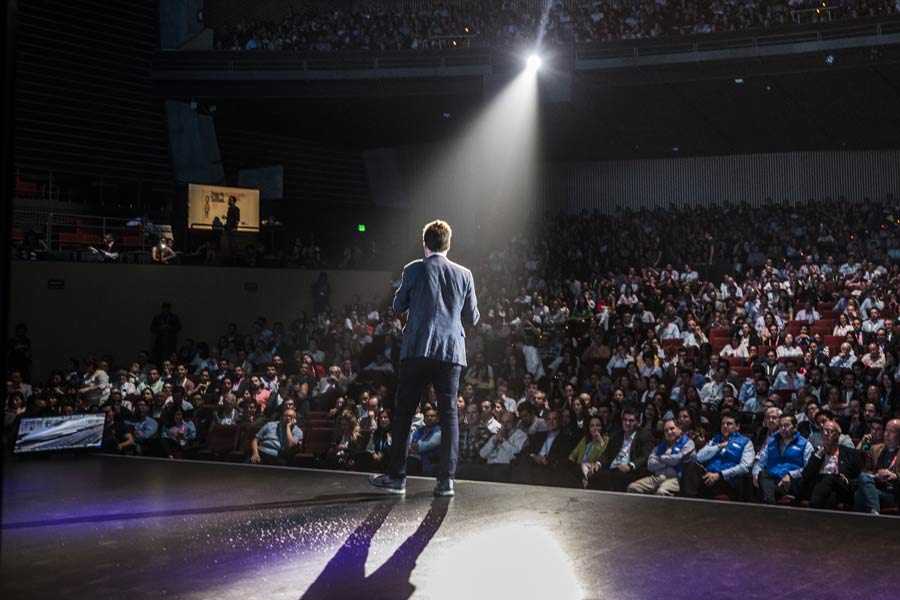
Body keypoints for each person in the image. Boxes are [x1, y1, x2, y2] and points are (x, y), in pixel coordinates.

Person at [370, 220, 479, 497]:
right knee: (449, 415)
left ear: (425, 244)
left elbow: (397, 306)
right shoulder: (464, 274)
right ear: (448, 244)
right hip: (450, 352)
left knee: (404, 413)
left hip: (417, 349)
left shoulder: (413, 269)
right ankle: (446, 482)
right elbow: (472, 317)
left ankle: (397, 478)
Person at [680, 410, 754, 500]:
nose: (725, 426)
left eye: (729, 424)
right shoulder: (715, 439)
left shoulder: (746, 442)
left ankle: (690, 503)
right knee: (690, 464)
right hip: (708, 476)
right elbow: (698, 457)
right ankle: (688, 503)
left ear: (737, 426)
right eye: (723, 424)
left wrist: (719, 475)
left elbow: (745, 467)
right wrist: (719, 446)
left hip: (726, 480)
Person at [585, 408, 654, 492]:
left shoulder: (645, 435)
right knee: (593, 472)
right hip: (613, 469)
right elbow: (606, 454)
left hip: (630, 472)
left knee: (615, 477)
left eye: (631, 420)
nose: (627, 423)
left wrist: (630, 466)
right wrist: (598, 464)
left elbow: (645, 457)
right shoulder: (617, 435)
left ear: (638, 422)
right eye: (625, 420)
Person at [799, 420, 862, 509]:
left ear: (838, 435)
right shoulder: (817, 454)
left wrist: (846, 480)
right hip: (820, 488)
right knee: (831, 495)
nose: (825, 434)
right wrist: (819, 454)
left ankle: (811, 510)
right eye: (823, 430)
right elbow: (806, 475)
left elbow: (860, 478)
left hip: (841, 488)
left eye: (829, 431)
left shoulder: (850, 454)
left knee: (830, 478)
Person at [752, 414, 813, 504]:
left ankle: (768, 503)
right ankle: (770, 501)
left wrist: (791, 475)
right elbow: (760, 462)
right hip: (770, 480)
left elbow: (808, 469)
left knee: (765, 490)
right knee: (762, 474)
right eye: (780, 426)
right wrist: (755, 473)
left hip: (789, 482)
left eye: (786, 425)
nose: (783, 428)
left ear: (795, 427)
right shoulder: (771, 442)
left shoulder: (805, 445)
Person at [627, 419, 696, 496]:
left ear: (679, 429)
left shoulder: (688, 443)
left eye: (672, 428)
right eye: (666, 430)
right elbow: (650, 464)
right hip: (658, 477)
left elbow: (677, 459)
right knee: (633, 487)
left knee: (661, 492)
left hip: (676, 478)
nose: (669, 432)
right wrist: (667, 463)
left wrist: (660, 458)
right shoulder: (661, 446)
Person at [854, 418, 900, 514]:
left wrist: (895, 476)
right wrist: (877, 476)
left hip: (893, 492)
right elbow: (865, 471)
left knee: (860, 494)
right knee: (861, 483)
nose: (887, 434)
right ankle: (874, 513)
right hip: (876, 487)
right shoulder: (875, 449)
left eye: (892, 432)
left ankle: (868, 520)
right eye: (886, 430)